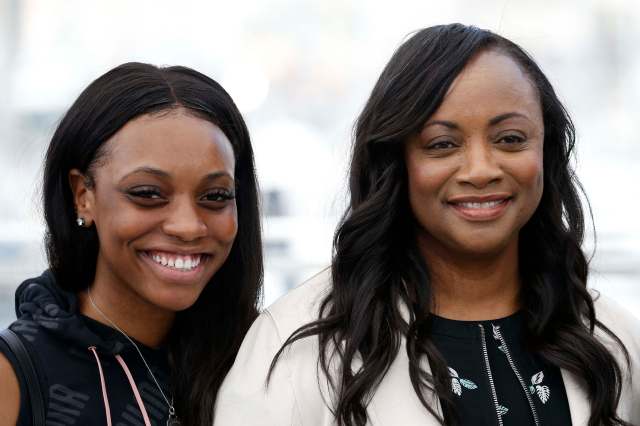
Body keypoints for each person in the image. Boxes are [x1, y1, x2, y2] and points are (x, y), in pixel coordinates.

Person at [214, 24, 640, 426]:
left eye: (510, 139)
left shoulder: (611, 337)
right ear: (396, 162)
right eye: (442, 144)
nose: (480, 169)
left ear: (545, 151)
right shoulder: (293, 348)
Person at [0, 62, 262, 426]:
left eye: (216, 196)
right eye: (148, 193)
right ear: (82, 196)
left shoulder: (265, 358)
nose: (188, 227)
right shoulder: (13, 378)